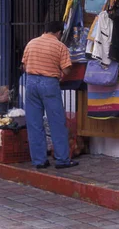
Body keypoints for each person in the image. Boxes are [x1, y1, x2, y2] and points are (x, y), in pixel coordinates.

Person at [22, 21, 79, 169]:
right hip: (49, 83)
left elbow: (24, 65)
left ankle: (39, 161)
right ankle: (62, 159)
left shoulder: (31, 43)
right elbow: (66, 70)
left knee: (34, 123)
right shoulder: (60, 46)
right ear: (59, 33)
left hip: (31, 82)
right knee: (57, 122)